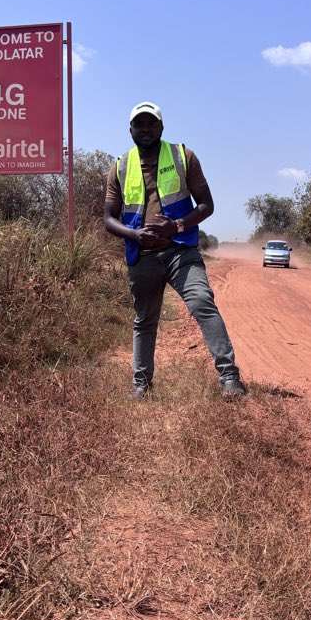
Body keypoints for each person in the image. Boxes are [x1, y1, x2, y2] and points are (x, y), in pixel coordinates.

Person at [103, 101, 247, 400]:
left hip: (180, 251)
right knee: (145, 320)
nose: (145, 129)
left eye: (151, 123)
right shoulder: (119, 166)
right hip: (141, 256)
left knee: (202, 303)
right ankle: (141, 385)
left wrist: (177, 226)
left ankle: (230, 378)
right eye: (139, 124)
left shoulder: (184, 156)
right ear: (130, 130)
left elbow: (207, 205)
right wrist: (134, 234)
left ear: (161, 127)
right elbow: (108, 218)